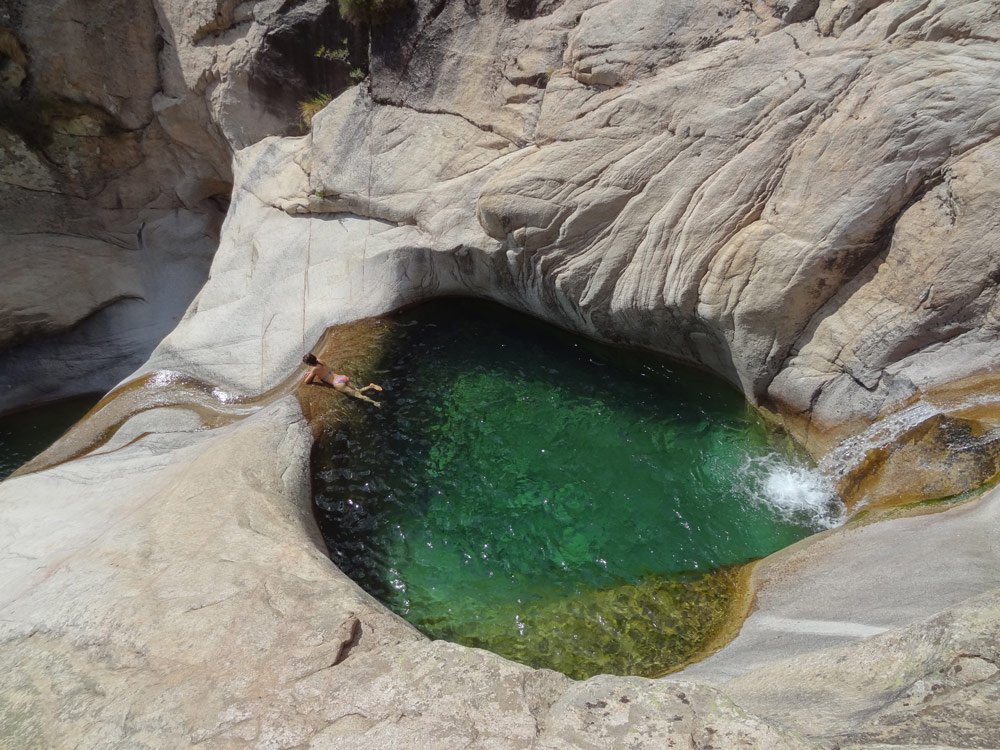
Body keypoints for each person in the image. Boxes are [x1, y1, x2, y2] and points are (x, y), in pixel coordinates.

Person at [301, 353, 382, 406]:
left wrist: (311, 373)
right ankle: (370, 386)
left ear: (308, 363)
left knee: (358, 395)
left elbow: (307, 381)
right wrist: (311, 372)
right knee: (358, 390)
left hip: (338, 383)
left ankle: (374, 402)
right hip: (341, 377)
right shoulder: (319, 360)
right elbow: (318, 369)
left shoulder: (314, 369)